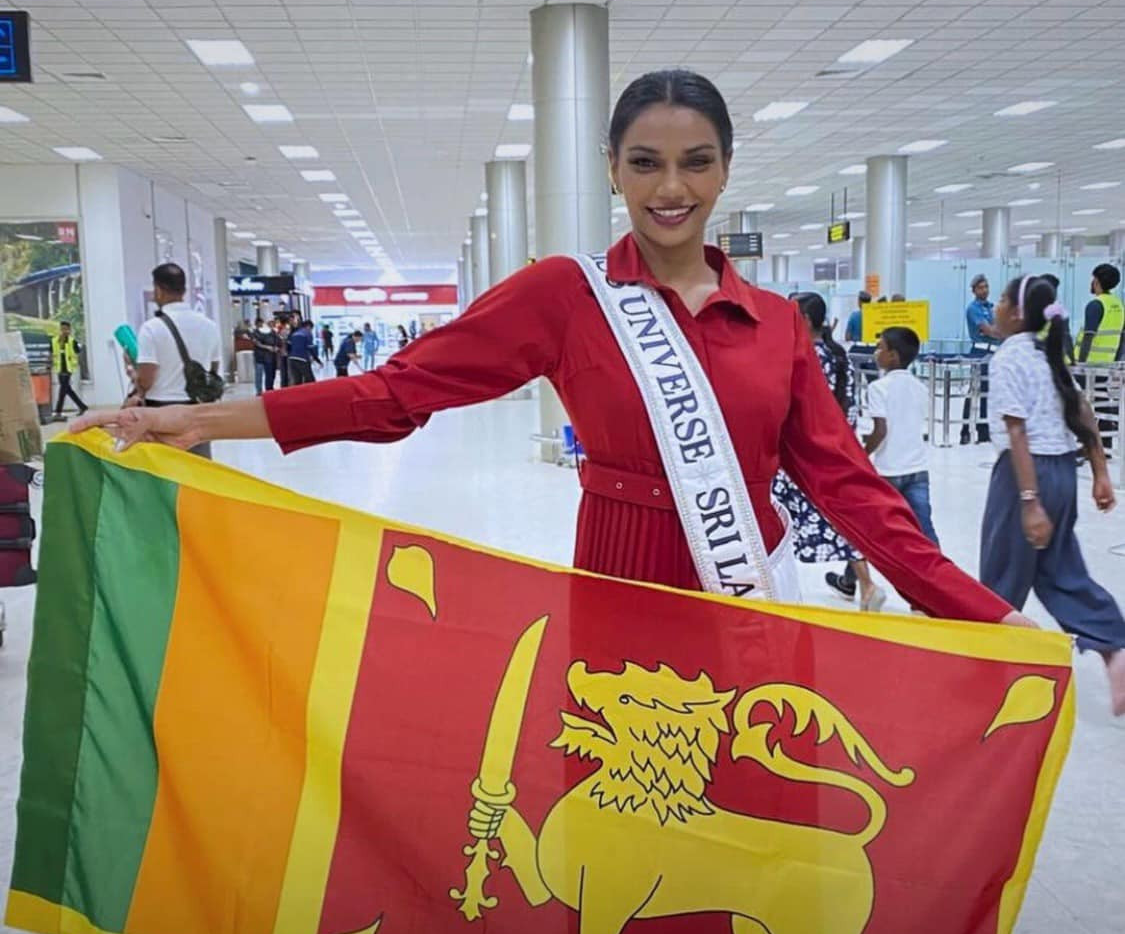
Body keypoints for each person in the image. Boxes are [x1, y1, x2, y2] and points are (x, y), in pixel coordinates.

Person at [74, 68, 1028, 631]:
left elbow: (851, 489)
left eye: (695, 162)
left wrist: (984, 617)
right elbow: (393, 394)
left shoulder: (775, 323)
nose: (670, 187)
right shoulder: (566, 295)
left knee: (751, 834)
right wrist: (191, 418)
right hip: (618, 589)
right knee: (615, 853)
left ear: (726, 170)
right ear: (612, 168)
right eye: (645, 162)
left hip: (749, 594)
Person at [981, 274, 1125, 714]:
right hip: (1063, 469)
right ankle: (1115, 646)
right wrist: (1101, 472)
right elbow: (1083, 412)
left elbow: (1017, 430)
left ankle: (986, 672)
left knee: (1003, 575)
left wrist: (1029, 501)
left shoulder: (1009, 358)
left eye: (1003, 301)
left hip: (1028, 474)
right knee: (1059, 571)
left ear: (1018, 312)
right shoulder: (1050, 352)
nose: (997, 308)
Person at [774, 293, 885, 612]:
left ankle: (780, 590)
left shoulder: (805, 357)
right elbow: (848, 407)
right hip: (834, 452)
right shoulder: (840, 357)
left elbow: (791, 407)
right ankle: (866, 584)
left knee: (778, 518)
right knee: (838, 519)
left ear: (805, 320)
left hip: (800, 456)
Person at [132, 262, 221, 459]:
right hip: (199, 409)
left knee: (165, 471)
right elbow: (213, 368)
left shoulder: (151, 328)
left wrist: (133, 375)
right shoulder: (209, 326)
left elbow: (146, 379)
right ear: (184, 289)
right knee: (198, 470)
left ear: (158, 290)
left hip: (162, 411)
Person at [863, 327, 938, 547]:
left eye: (880, 348)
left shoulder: (878, 388)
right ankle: (939, 576)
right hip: (918, 468)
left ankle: (855, 577)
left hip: (889, 470)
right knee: (925, 528)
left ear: (893, 355)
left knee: (873, 527)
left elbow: (881, 431)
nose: (876, 353)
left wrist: (863, 453)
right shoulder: (920, 387)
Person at [961, 274, 998, 445]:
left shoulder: (992, 307)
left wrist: (995, 331)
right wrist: (994, 331)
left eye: (986, 286)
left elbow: (996, 330)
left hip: (995, 353)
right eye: (981, 287)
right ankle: (965, 429)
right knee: (975, 391)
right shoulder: (973, 308)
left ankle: (984, 429)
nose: (984, 290)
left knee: (988, 393)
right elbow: (988, 330)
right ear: (974, 290)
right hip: (980, 352)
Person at [1075, 263, 1124, 365]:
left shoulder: (1095, 305)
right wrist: (1116, 364)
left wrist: (1080, 365)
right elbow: (1122, 339)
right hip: (1107, 368)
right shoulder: (1120, 306)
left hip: (1089, 368)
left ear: (1097, 282)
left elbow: (1088, 338)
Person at [51, 320, 87, 421]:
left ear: (69, 330)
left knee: (62, 390)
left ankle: (58, 411)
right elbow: (52, 352)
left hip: (68, 369)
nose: (64, 331)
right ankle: (82, 406)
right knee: (68, 390)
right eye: (62, 329)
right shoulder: (55, 341)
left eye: (66, 329)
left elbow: (78, 351)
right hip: (59, 369)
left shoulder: (72, 341)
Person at [287, 318, 320, 386]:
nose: (311, 330)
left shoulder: (294, 334)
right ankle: (313, 395)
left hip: (292, 358)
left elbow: (288, 345)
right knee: (310, 379)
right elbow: (311, 348)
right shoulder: (307, 334)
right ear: (308, 326)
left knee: (297, 380)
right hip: (302, 359)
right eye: (311, 328)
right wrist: (317, 360)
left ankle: (298, 395)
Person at [252, 318, 279, 396]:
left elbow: (276, 341)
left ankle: (269, 389)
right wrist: (268, 347)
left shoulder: (272, 332)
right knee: (259, 374)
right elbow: (257, 343)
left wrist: (275, 347)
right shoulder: (255, 333)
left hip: (269, 357)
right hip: (259, 357)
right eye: (259, 324)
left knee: (270, 374)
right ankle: (259, 391)